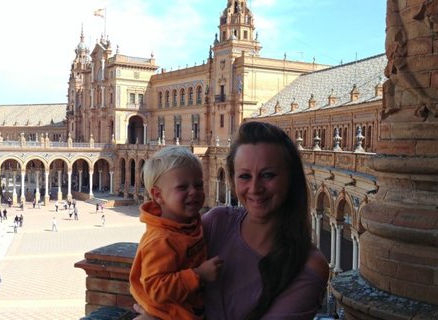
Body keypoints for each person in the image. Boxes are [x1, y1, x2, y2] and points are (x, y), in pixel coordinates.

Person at [134, 122, 329, 319]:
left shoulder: (308, 266)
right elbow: (158, 278)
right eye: (244, 176)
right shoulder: (215, 224)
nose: (255, 188)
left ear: (291, 179)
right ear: (233, 182)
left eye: (268, 175)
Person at [129, 146, 223, 320]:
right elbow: (156, 289)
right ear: (158, 195)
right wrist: (199, 275)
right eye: (182, 187)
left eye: (198, 184)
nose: (193, 191)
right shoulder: (161, 239)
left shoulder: (188, 224)